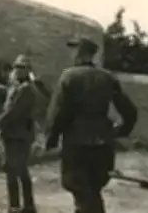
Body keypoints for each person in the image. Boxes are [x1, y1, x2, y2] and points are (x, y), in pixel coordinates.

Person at [45, 36, 138, 213]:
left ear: (80, 53)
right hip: (103, 145)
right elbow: (130, 112)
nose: (71, 54)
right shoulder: (108, 77)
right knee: (93, 190)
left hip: (76, 144)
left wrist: (51, 139)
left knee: (79, 189)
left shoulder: (69, 76)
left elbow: (58, 113)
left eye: (73, 50)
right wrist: (120, 131)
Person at [0, 58, 38, 213]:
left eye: (22, 67)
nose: (18, 70)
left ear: (28, 70)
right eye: (17, 67)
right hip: (13, 133)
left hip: (19, 134)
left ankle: (17, 205)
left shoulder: (26, 89)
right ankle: (24, 205)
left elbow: (13, 111)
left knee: (15, 169)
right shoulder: (19, 87)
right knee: (17, 169)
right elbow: (6, 91)